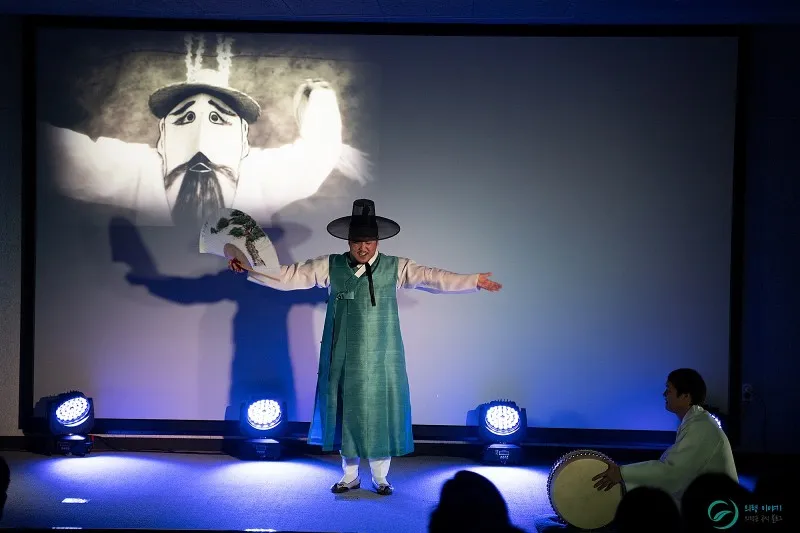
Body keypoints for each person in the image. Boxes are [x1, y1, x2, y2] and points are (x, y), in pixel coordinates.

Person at [229, 199, 502, 495]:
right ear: (349, 241)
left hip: (382, 353)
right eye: (358, 242)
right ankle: (349, 475)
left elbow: (431, 277)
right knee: (346, 410)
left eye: (369, 242)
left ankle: (381, 477)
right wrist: (250, 268)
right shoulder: (330, 265)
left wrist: (473, 281)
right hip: (342, 352)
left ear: (377, 242)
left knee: (379, 409)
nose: (363, 248)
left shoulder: (395, 267)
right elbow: (290, 275)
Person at [39, 33, 371, 226]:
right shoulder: (139, 169)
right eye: (184, 118)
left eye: (218, 119)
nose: (200, 141)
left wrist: (318, 97)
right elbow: (56, 156)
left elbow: (316, 156)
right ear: (162, 137)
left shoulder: (262, 173)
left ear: (244, 141)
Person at [592, 368, 738, 508]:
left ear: (686, 396)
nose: (664, 394)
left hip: (715, 508)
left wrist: (622, 473)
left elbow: (672, 473)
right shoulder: (697, 421)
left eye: (669, 390)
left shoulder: (701, 427)